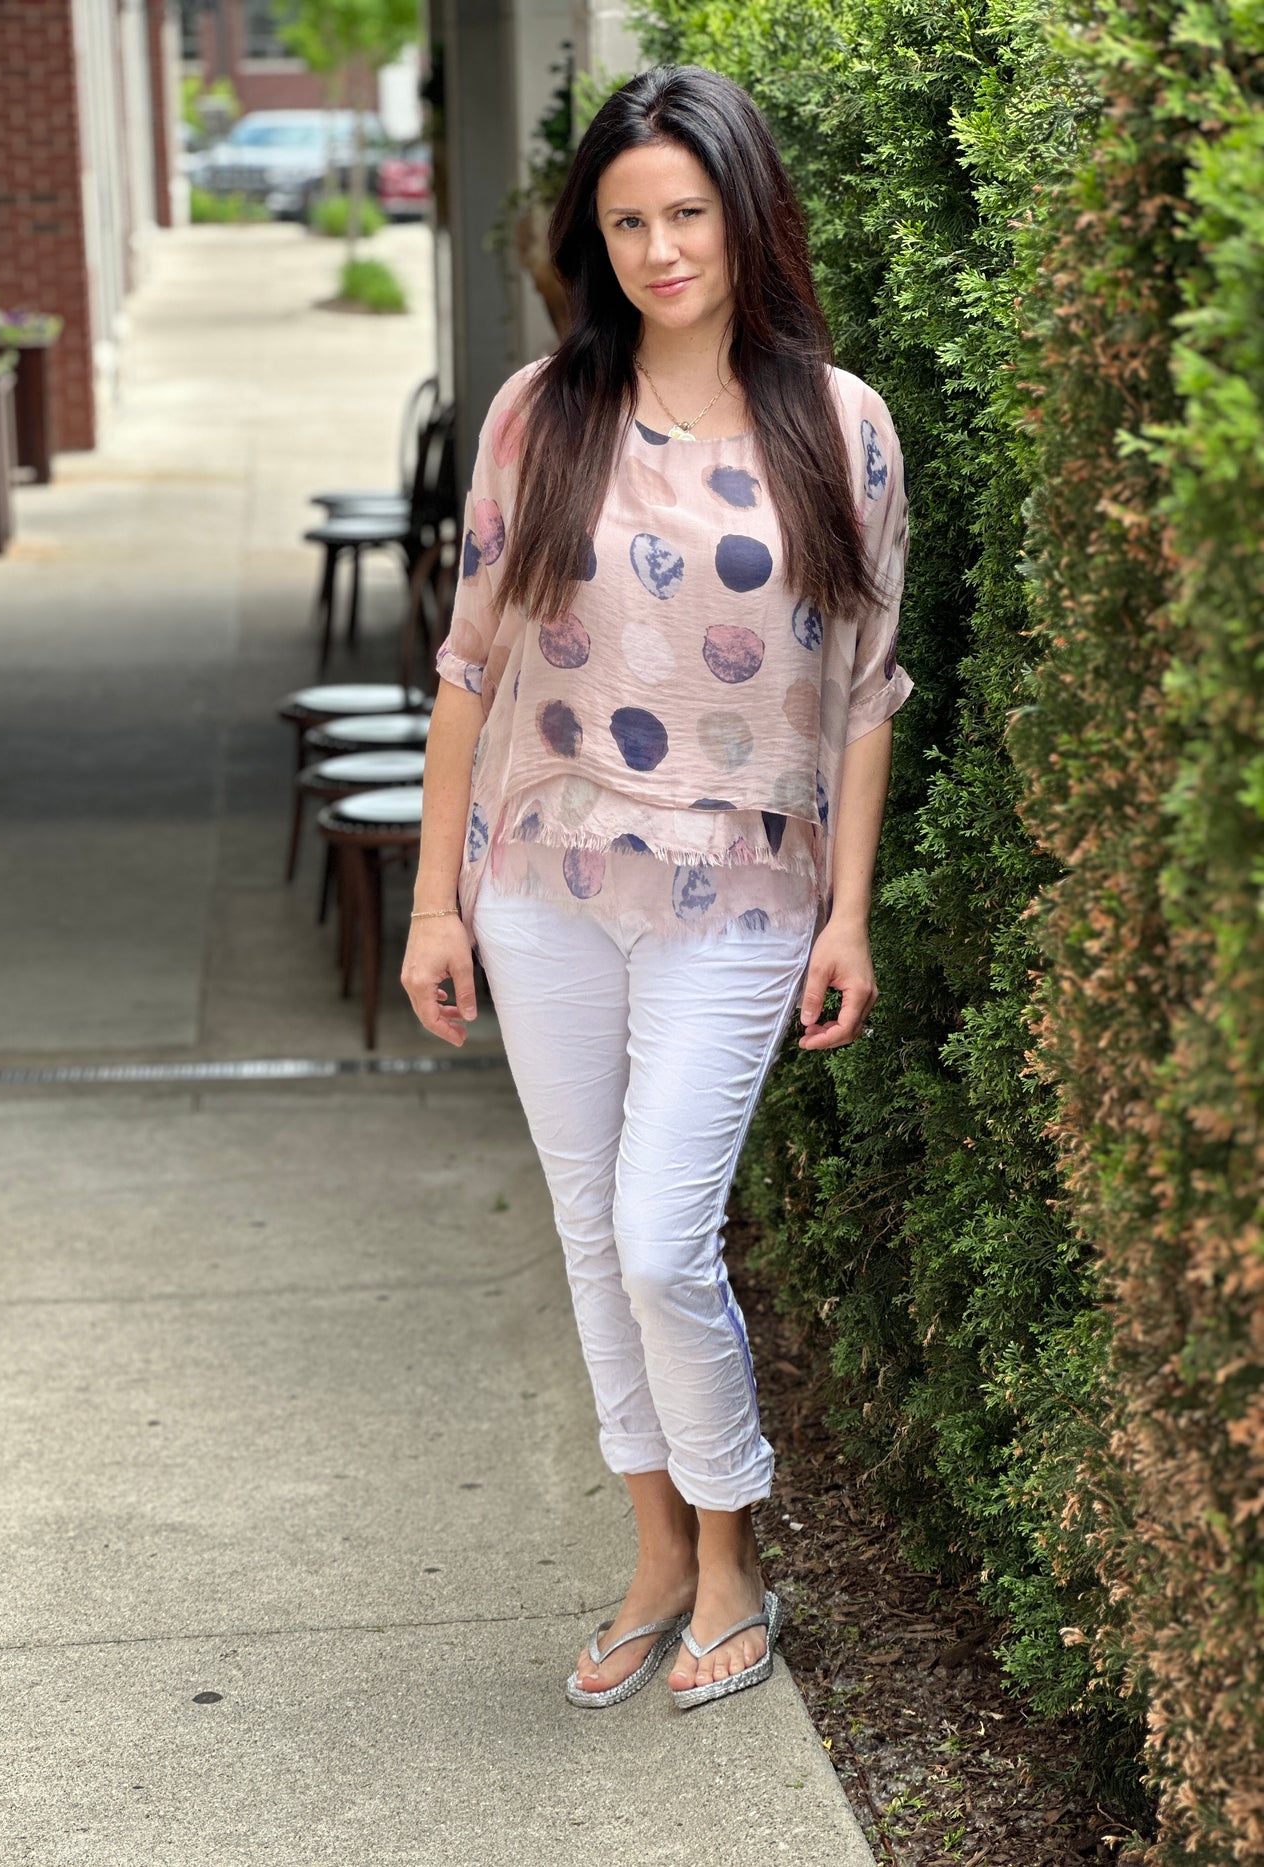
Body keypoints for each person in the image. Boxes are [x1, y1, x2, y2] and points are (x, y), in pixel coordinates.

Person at [400, 64, 913, 1712]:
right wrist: (436, 902)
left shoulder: (840, 426)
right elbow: (470, 667)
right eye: (626, 222)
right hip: (542, 880)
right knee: (585, 1230)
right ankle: (657, 1556)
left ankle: (734, 1550)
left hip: (743, 893)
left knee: (657, 1236)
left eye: (687, 212)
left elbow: (864, 697)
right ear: (594, 240)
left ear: (747, 216)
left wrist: (848, 912)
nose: (660, 249)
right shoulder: (538, 415)